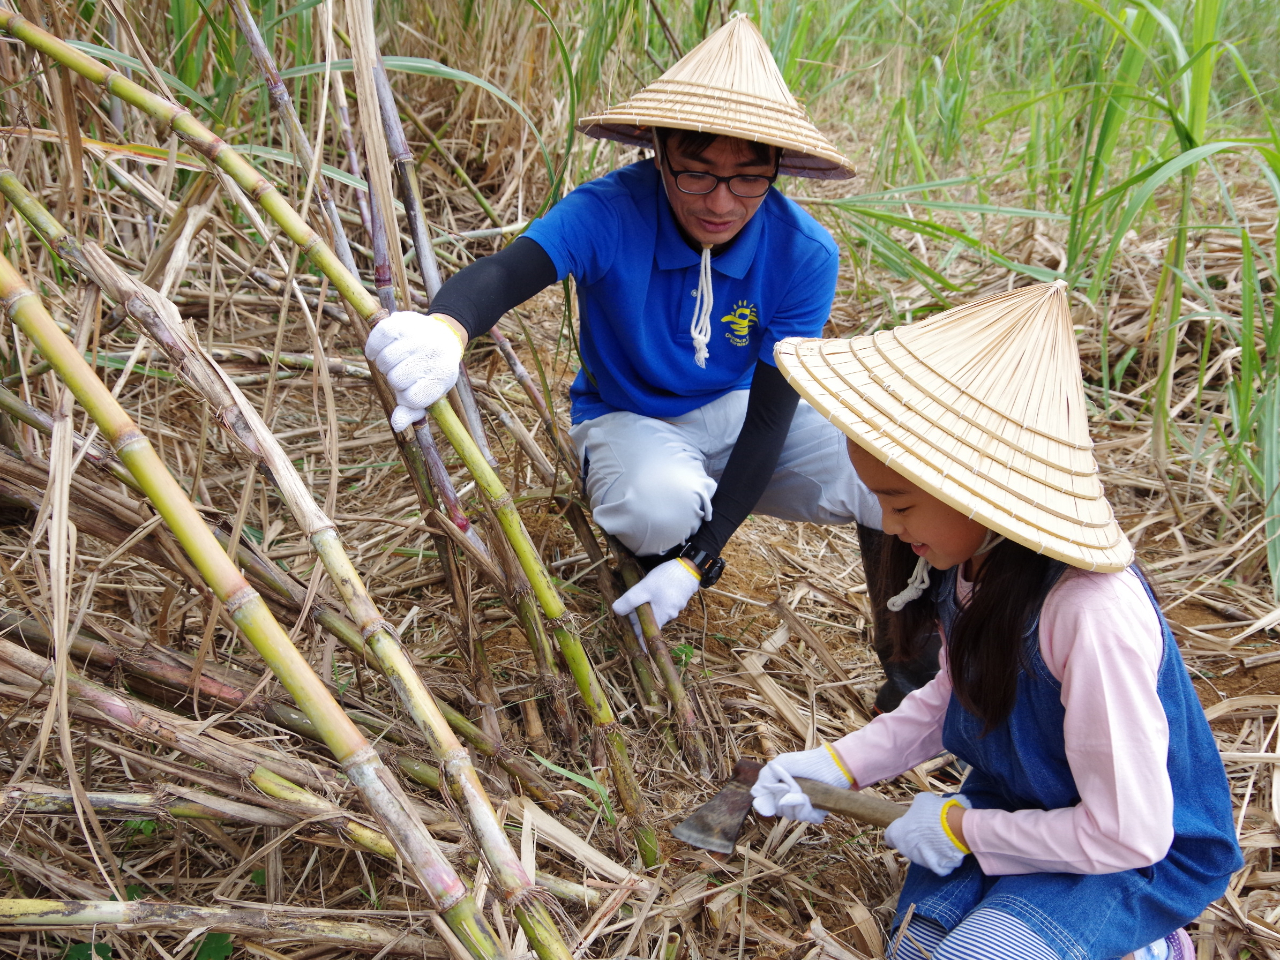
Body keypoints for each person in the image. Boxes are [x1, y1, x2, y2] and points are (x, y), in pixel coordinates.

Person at [750, 281, 1242, 960]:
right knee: (916, 951)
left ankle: (1150, 945)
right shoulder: (974, 563)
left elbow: (1129, 831)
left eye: (899, 502)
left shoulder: (1089, 613)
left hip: (1126, 852)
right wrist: (838, 765)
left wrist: (962, 828)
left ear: (975, 486)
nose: (887, 525)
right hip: (1021, 814)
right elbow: (955, 696)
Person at [363, 15, 885, 637]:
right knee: (657, 506)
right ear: (658, 152)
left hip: (737, 408)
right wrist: (446, 328)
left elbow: (770, 419)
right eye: (696, 171)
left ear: (778, 165)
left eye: (749, 176)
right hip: (631, 418)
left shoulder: (804, 253)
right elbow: (506, 273)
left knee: (889, 467)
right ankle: (654, 558)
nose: (721, 202)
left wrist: (701, 560)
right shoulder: (609, 212)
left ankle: (906, 657)